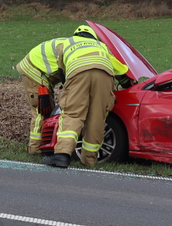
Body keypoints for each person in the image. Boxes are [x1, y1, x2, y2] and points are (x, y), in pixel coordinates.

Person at [42, 24, 131, 168]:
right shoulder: (101, 46)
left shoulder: (67, 43)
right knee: (97, 117)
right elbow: (120, 70)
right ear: (93, 36)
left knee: (73, 114)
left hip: (78, 74)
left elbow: (61, 71)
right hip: (104, 76)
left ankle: (62, 155)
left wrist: (67, 86)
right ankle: (89, 159)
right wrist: (127, 84)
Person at [15, 38, 71, 154]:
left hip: (39, 71)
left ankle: (46, 144)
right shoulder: (73, 49)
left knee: (48, 109)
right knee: (41, 110)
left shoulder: (73, 44)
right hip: (34, 72)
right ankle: (35, 148)